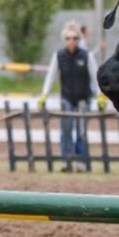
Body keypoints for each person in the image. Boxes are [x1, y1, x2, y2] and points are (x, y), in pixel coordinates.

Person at [38, 20, 96, 170]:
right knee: (66, 129)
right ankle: (66, 160)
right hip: (67, 97)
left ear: (79, 39)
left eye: (75, 38)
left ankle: (80, 161)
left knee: (81, 130)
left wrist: (101, 95)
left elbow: (95, 77)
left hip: (84, 98)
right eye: (68, 38)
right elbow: (50, 76)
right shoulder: (59, 56)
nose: (72, 41)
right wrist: (44, 94)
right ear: (64, 39)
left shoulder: (86, 56)